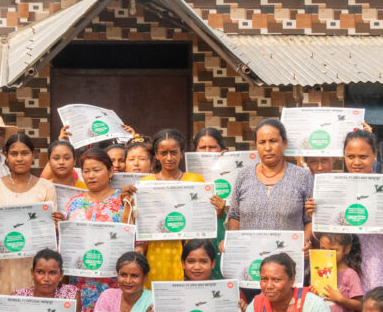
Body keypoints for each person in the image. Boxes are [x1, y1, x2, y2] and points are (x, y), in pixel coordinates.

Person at [306, 130, 383, 293]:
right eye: (351, 156)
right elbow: (322, 236)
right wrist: (315, 215)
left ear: (374, 155)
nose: (356, 162)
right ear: (343, 156)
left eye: (363, 156)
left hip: (377, 265)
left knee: (376, 310)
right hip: (342, 267)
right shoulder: (332, 187)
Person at [0, 133, 55, 295]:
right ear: (6, 156)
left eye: (25, 153)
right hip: (3, 264)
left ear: (33, 155)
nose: (19, 158)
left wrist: (57, 224)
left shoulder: (46, 187)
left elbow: (50, 231)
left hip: (34, 265)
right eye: (14, 154)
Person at [64, 148, 132, 312]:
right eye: (86, 171)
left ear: (110, 172)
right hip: (79, 285)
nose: (91, 176)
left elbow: (135, 241)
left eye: (96, 170)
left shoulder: (123, 201)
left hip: (113, 286)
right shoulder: (74, 203)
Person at [134, 130, 205, 287]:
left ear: (182, 153)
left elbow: (204, 218)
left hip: (189, 251)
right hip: (156, 252)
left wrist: (218, 210)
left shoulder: (195, 181)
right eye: (163, 153)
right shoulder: (146, 184)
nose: (169, 158)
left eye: (174, 152)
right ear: (156, 155)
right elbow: (140, 222)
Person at [227, 119, 313, 241]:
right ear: (256, 145)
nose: (267, 147)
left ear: (285, 144)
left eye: (273, 141)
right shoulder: (243, 175)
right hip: (251, 257)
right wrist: (233, 242)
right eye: (262, 142)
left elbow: (309, 219)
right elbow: (235, 216)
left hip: (288, 256)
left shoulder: (303, 177)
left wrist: (305, 241)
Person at [191, 127, 229, 279]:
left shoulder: (231, 173)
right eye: (202, 147)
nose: (207, 151)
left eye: (212, 147)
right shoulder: (190, 176)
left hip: (222, 231)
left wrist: (229, 163)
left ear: (222, 149)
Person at [312, 232, 363, 312]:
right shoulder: (317, 271)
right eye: (323, 249)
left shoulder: (350, 274)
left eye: (334, 250)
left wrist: (341, 299)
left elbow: (360, 305)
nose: (327, 254)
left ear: (347, 249)